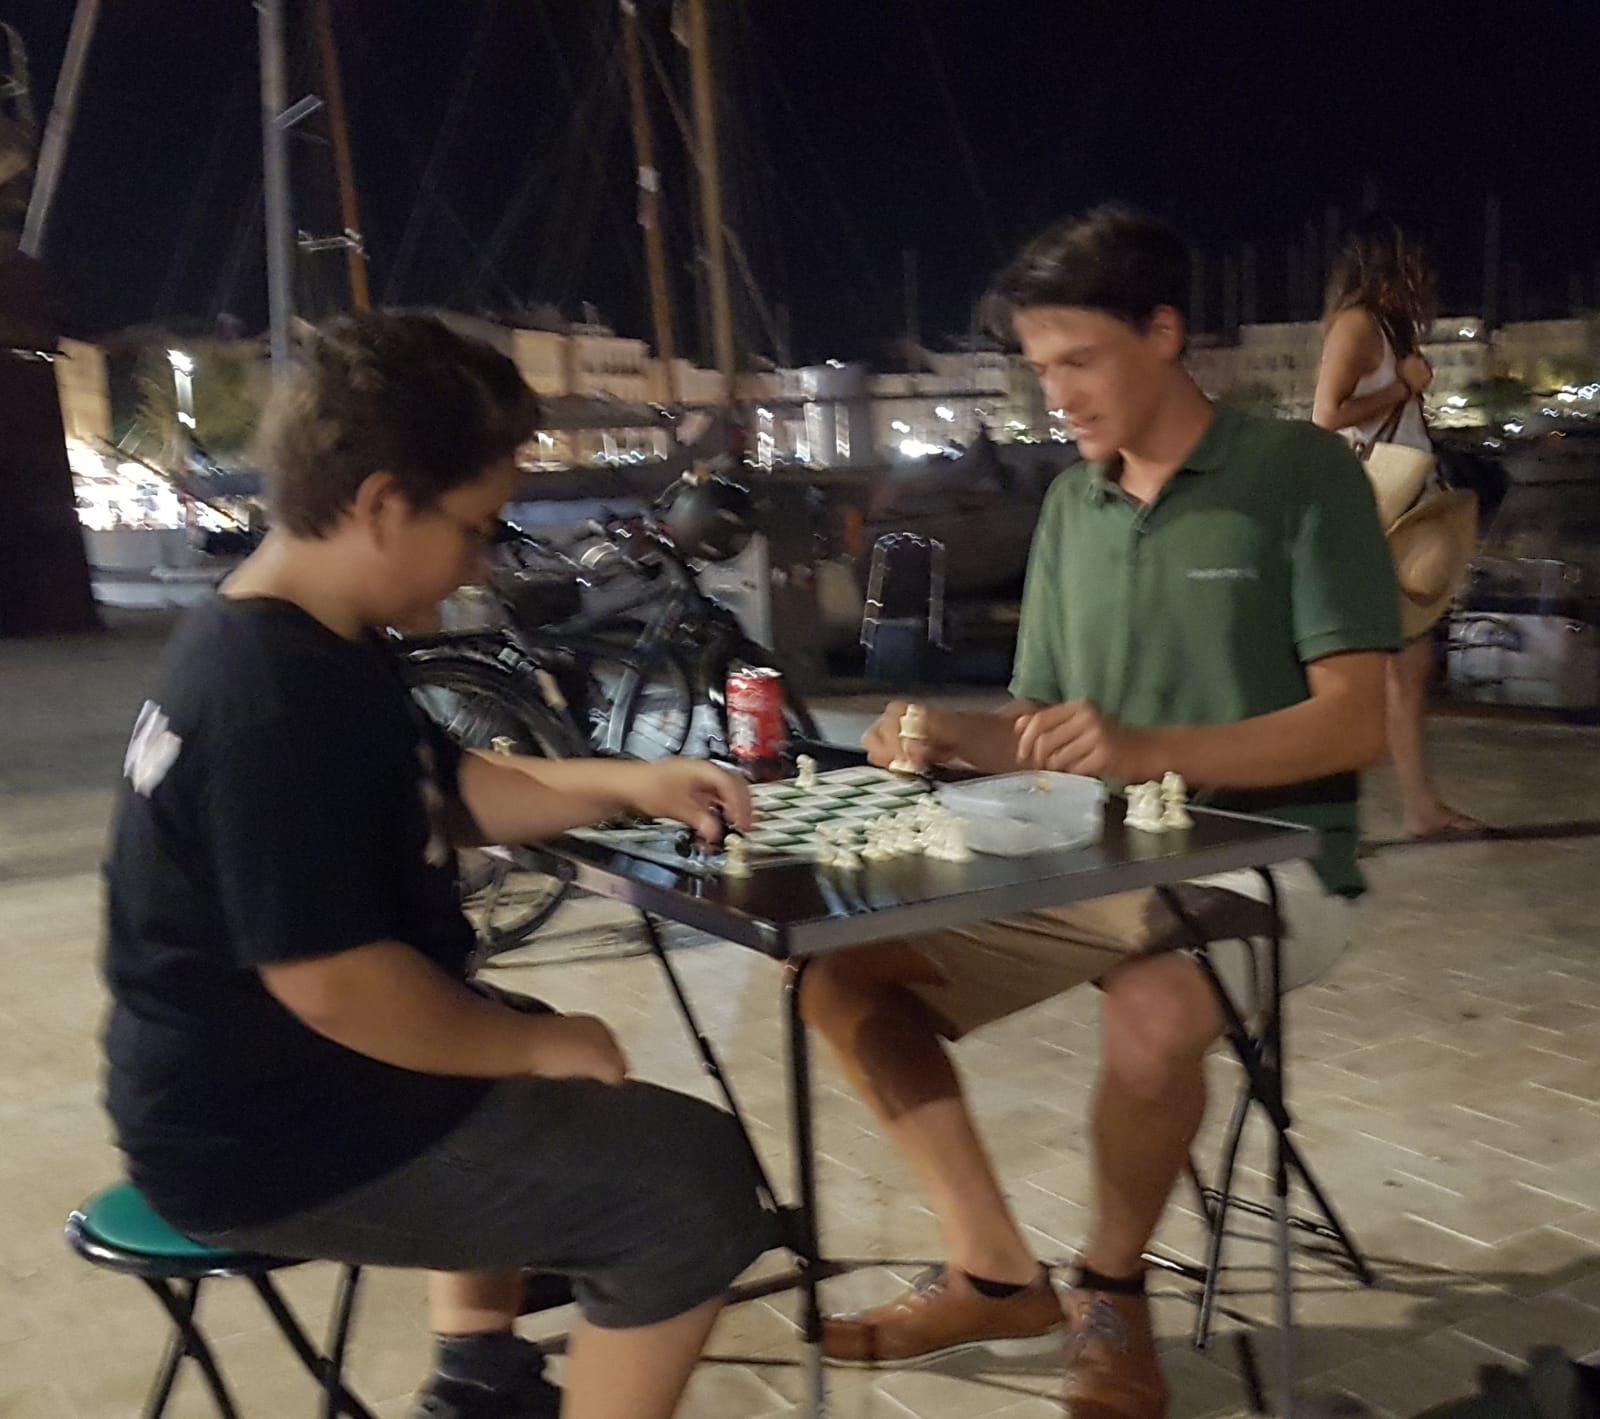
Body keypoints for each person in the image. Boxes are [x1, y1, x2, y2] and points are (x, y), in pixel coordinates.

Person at [102, 314, 774, 1419]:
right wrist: (532, 1047)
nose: (480, 561)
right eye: (474, 527)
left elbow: (446, 783)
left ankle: (479, 1382)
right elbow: (335, 982)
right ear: (380, 504)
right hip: (260, 1137)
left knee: (513, 1031)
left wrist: (631, 781)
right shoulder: (272, 700)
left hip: (255, 1090)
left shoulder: (308, 636)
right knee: (688, 1185)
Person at [798, 207, 1398, 1419]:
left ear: (1163, 333)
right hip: (1093, 858)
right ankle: (995, 1273)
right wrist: (939, 734)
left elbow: (1352, 725)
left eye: (1078, 360)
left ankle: (1111, 1293)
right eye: (1040, 367)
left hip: (1279, 861)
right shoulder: (1073, 504)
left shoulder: (1299, 474)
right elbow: (1043, 729)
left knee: (1153, 1007)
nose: (1054, 394)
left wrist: (1141, 749)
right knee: (835, 971)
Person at [1312, 218, 1482, 839]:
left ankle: (1417, 808)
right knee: (1375, 673)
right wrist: (1401, 389)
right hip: (1366, 515)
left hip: (1393, 513)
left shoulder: (1383, 331)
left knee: (1405, 670)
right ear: (1390, 268)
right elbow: (1325, 415)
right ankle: (1342, 812)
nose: (1426, 283)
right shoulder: (1357, 325)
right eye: (1417, 270)